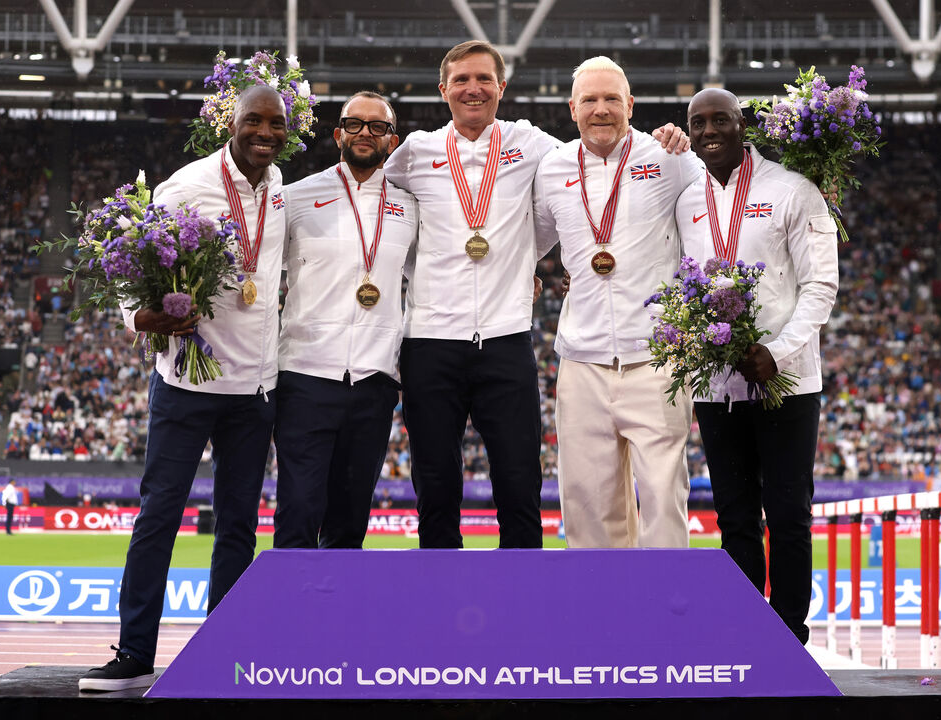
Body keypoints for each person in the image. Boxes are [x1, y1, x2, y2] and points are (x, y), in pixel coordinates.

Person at [80, 85, 288, 691]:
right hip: (186, 379)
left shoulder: (284, 194)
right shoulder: (187, 184)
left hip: (255, 386)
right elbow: (130, 255)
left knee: (238, 524)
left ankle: (224, 648)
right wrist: (137, 316)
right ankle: (135, 652)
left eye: (275, 124)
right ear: (233, 121)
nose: (264, 133)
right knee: (159, 516)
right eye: (254, 120)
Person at [675, 87, 839, 644]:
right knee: (735, 515)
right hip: (715, 383)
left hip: (785, 381)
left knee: (788, 511)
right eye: (698, 123)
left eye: (721, 119)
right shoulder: (683, 197)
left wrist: (779, 351)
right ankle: (745, 632)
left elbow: (821, 284)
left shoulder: (793, 190)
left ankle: (790, 634)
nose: (709, 131)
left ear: (743, 125)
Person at [383, 40, 560, 548]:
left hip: (505, 340)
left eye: (484, 79)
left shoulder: (530, 143)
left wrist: (525, 258)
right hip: (431, 343)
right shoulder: (415, 151)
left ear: (501, 88)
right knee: (435, 489)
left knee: (520, 485)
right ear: (444, 90)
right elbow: (368, 198)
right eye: (461, 80)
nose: (473, 88)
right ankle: (441, 610)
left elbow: (586, 170)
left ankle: (522, 609)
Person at [533, 56, 700, 549]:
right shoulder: (553, 168)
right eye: (589, 100)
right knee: (587, 511)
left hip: (658, 357)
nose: (600, 109)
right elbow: (526, 244)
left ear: (631, 104)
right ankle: (601, 621)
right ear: (572, 108)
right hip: (582, 361)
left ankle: (667, 621)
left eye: (611, 99)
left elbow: (724, 207)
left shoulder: (669, 157)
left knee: (663, 506)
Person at [274, 91, 417, 549]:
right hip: (304, 378)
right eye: (354, 124)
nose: (364, 134)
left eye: (378, 127)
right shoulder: (294, 199)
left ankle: (334, 620)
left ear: (391, 141)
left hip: (374, 384)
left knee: (350, 521)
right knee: (297, 512)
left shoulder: (411, 208)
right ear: (338, 133)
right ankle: (291, 619)